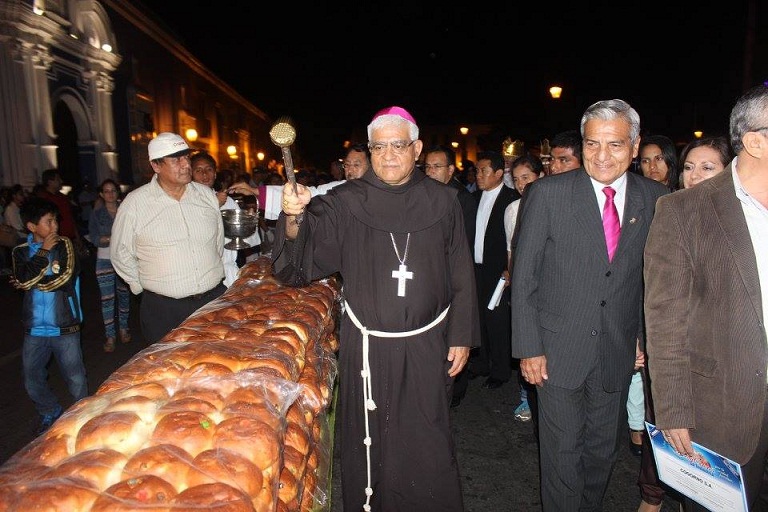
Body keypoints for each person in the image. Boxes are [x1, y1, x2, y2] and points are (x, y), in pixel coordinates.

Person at [275, 106, 479, 511]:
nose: (388, 155)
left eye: (398, 145)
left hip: (428, 343)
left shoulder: (443, 201)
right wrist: (294, 216)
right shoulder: (345, 201)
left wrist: (461, 335)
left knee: (428, 440)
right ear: (369, 152)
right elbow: (297, 263)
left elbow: (461, 271)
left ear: (416, 148)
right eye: (378, 147)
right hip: (367, 347)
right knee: (371, 440)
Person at [510, 98, 668, 511]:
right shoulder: (548, 194)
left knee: (601, 455)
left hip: (616, 351)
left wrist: (640, 336)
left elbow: (652, 279)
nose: (602, 155)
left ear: (635, 147)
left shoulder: (656, 199)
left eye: (615, 145)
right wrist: (528, 347)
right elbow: (524, 276)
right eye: (592, 143)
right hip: (556, 350)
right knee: (562, 458)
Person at [645, 84, 768, 512]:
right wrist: (674, 409)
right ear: (754, 141)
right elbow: (666, 321)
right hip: (721, 408)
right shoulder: (684, 211)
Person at [111, 132, 226, 344]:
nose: (185, 165)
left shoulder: (206, 195)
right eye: (176, 159)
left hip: (213, 301)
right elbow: (120, 252)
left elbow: (217, 242)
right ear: (156, 166)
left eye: (186, 157)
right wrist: (139, 286)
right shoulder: (135, 204)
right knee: (172, 373)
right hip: (164, 310)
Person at [12, 197, 88, 434]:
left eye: (56, 220)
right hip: (34, 328)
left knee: (75, 378)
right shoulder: (20, 251)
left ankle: (82, 417)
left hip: (64, 325)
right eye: (49, 221)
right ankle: (49, 411)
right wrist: (43, 253)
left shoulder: (65, 245)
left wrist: (29, 282)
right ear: (32, 227)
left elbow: (64, 279)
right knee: (32, 378)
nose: (55, 226)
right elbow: (22, 277)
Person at [423, 144, 479, 407]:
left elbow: (463, 245)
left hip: (452, 277)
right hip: (428, 279)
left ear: (450, 170)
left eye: (437, 167)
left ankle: (455, 391)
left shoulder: (462, 200)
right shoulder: (423, 196)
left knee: (456, 336)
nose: (431, 172)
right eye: (428, 167)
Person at [468, 151, 519, 392]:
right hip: (476, 269)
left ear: (499, 174)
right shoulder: (474, 198)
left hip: (498, 271)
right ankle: (481, 363)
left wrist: (509, 269)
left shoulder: (510, 199)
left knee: (497, 321)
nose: (478, 175)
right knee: (478, 318)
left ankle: (500, 370)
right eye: (477, 171)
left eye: (483, 171)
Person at [503, 154, 544, 422]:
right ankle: (525, 398)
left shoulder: (551, 203)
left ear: (540, 177)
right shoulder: (512, 210)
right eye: (516, 180)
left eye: (526, 178)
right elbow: (511, 251)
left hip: (547, 289)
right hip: (522, 288)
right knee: (525, 342)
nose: (521, 184)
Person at [191, 151, 260, 286]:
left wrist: (248, 221)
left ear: (215, 174)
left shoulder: (227, 200)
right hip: (200, 276)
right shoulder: (184, 202)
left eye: (209, 169)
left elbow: (244, 238)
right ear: (190, 174)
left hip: (227, 273)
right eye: (198, 170)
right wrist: (214, 205)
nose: (204, 174)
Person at [89, 178, 131, 353]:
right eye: (106, 191)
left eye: (113, 190)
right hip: (105, 258)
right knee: (107, 299)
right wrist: (112, 238)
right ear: (101, 194)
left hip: (124, 259)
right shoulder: (97, 214)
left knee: (124, 295)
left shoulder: (125, 209)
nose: (110, 194)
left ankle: (123, 328)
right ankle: (110, 335)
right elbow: (95, 238)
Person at [37, 169, 81, 248]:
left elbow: (70, 217)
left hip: (70, 238)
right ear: (50, 182)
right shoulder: (44, 199)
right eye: (58, 179)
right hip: (56, 240)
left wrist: (77, 236)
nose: (61, 181)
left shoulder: (63, 197)